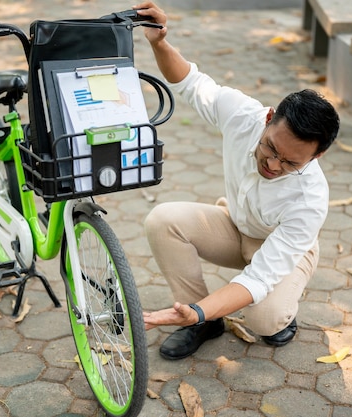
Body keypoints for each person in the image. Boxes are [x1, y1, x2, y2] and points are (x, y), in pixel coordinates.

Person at [134, 2, 340, 360]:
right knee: (162, 220)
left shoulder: (310, 199)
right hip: (235, 224)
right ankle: (201, 321)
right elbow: (189, 82)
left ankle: (276, 312)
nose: (273, 165)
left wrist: (218, 301)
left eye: (290, 162)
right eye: (270, 148)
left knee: (263, 318)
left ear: (316, 156)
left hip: (281, 245)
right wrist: (159, 42)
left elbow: (259, 277)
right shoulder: (244, 114)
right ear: (269, 118)